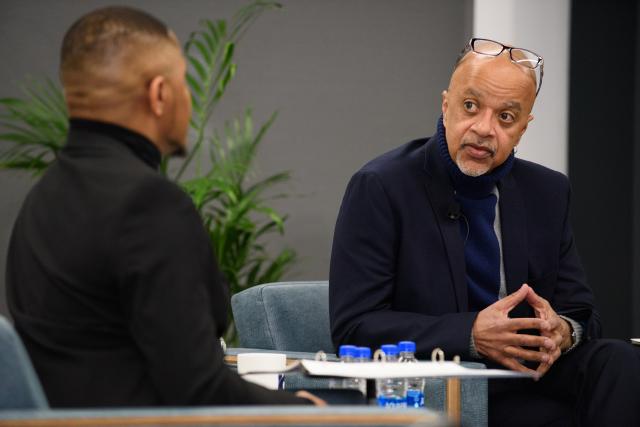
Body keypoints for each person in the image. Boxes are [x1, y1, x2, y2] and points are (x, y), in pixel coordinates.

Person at [5, 6, 322, 407]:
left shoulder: (42, 199)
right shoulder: (150, 205)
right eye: (185, 82)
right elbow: (199, 391)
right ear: (159, 94)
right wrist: (309, 412)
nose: (189, 98)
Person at [329, 37, 640, 425]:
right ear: (446, 105)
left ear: (523, 128)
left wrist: (563, 330)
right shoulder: (381, 186)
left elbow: (582, 314)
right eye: (471, 106)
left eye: (506, 118)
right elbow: (354, 328)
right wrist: (471, 333)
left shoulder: (547, 191)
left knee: (621, 362)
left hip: (530, 377)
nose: (484, 128)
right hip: (440, 383)